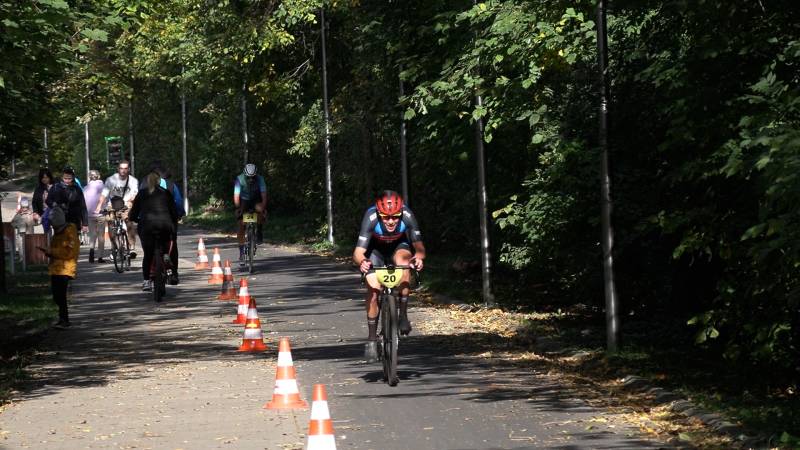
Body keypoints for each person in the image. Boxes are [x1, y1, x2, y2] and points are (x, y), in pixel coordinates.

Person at [352, 190, 426, 362]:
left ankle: (403, 315)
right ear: (379, 214)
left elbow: (419, 247)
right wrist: (362, 261)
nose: (391, 221)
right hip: (374, 250)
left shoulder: (407, 215)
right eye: (386, 217)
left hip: (399, 246)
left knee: (405, 263)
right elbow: (358, 252)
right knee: (373, 289)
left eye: (395, 217)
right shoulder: (370, 217)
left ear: (401, 213)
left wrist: (418, 259)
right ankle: (371, 340)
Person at [129, 169, 178, 293]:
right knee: (167, 240)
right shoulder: (166, 193)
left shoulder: (141, 193)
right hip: (165, 225)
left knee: (148, 255)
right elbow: (173, 212)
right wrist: (173, 219)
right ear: (158, 181)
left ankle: (146, 282)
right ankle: (166, 255)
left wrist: (134, 218)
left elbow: (134, 212)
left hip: (147, 226)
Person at [39, 206, 79, 329]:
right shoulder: (57, 232)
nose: (54, 228)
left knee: (60, 296)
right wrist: (48, 252)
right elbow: (56, 249)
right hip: (55, 268)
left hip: (65, 268)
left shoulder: (70, 231)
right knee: (56, 296)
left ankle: (64, 320)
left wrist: (51, 251)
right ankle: (62, 319)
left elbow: (69, 253)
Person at [148, 161, 186, 284]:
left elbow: (140, 204)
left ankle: (151, 271)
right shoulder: (171, 186)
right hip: (169, 220)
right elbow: (178, 202)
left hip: (151, 221)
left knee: (150, 245)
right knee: (172, 244)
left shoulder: (145, 187)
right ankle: (173, 273)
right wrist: (180, 214)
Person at [96, 160, 139, 258]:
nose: (123, 171)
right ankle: (114, 246)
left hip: (126, 205)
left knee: (129, 222)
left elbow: (135, 194)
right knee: (111, 223)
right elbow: (104, 193)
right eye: (121, 168)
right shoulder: (111, 180)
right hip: (113, 204)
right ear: (118, 169)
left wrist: (130, 202)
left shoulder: (133, 180)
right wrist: (99, 205)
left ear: (128, 169)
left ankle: (132, 247)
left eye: (125, 168)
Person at [233, 163, 267, 266]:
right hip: (244, 200)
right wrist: (238, 208)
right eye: (248, 177)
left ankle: (259, 230)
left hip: (256, 199)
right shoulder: (239, 179)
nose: (251, 179)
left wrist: (263, 207)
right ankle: (242, 253)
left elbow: (264, 195)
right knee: (241, 224)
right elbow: (236, 196)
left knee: (261, 212)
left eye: (253, 177)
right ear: (245, 175)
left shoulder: (260, 179)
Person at [46, 167, 89, 240]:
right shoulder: (56, 187)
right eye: (65, 178)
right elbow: (48, 200)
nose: (67, 180)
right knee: (61, 241)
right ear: (62, 177)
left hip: (74, 219)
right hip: (59, 218)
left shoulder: (77, 188)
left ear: (73, 178)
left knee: (73, 242)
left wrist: (85, 223)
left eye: (70, 178)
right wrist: (54, 205)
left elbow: (83, 206)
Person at [83, 170, 106, 263]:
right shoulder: (103, 186)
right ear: (99, 176)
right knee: (101, 235)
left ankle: (91, 251)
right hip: (100, 214)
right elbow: (107, 198)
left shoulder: (85, 188)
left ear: (90, 177)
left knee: (92, 234)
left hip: (89, 214)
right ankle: (100, 257)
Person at [32, 168, 54, 234]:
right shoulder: (38, 189)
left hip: (54, 212)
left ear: (50, 177)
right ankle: (48, 240)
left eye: (47, 177)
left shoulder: (55, 187)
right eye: (43, 178)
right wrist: (35, 212)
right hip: (43, 213)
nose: (45, 179)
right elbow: (34, 202)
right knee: (45, 221)